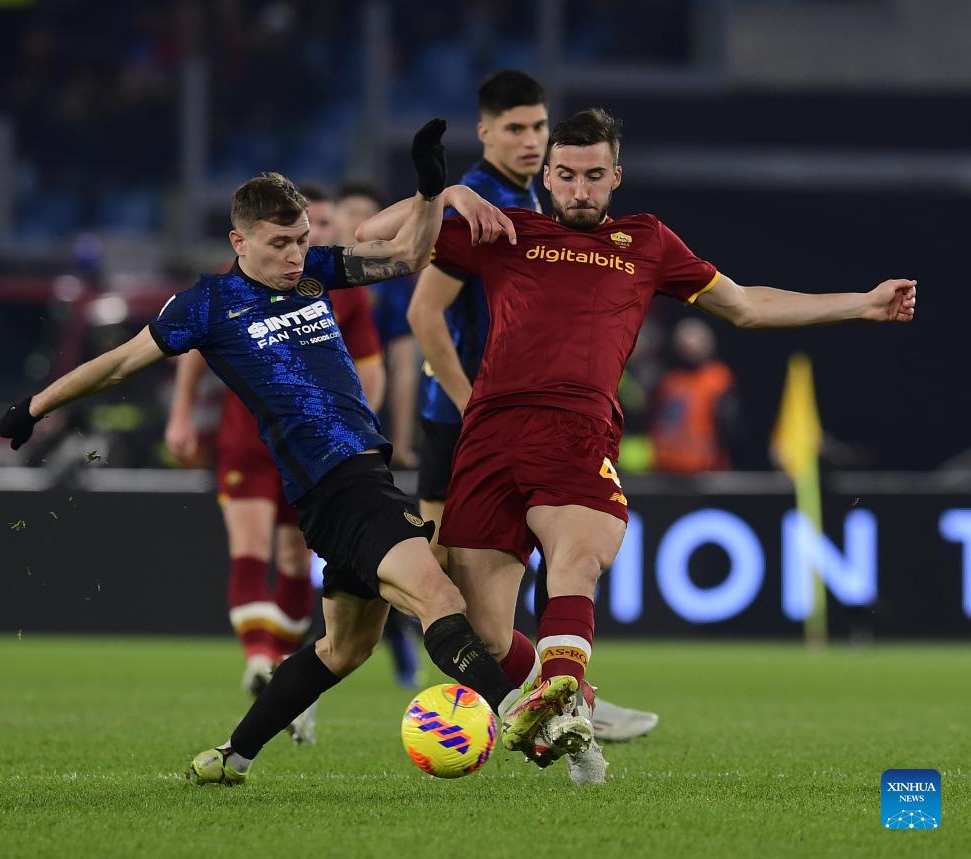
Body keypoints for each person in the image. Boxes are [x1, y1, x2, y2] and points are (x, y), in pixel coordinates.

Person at [0, 120, 575, 786]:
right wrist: (33, 407)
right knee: (440, 595)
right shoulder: (208, 305)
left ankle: (230, 755)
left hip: (357, 478)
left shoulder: (313, 273)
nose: (295, 255)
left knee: (344, 648)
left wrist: (430, 189)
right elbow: (119, 362)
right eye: (279, 243)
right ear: (239, 241)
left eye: (301, 240)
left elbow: (410, 256)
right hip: (337, 486)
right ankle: (521, 714)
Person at [370, 107, 916, 783]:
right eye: (567, 175)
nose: (580, 189)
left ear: (616, 177)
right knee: (482, 633)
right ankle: (576, 711)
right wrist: (448, 192)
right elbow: (376, 239)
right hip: (489, 436)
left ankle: (566, 696)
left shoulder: (647, 241)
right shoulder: (506, 230)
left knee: (576, 560)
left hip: (576, 429)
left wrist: (861, 303)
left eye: (594, 175)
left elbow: (746, 306)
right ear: (548, 177)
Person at [405, 69, 658, 746]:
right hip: (465, 418)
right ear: (486, 133)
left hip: (526, 421)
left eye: (538, 126)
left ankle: (567, 696)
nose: (529, 139)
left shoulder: (535, 207)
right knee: (436, 589)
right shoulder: (486, 202)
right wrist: (468, 402)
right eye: (516, 128)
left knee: (546, 565)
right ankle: (562, 698)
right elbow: (423, 311)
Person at [164, 183, 397, 745]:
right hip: (247, 440)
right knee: (248, 547)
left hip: (313, 450)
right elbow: (188, 349)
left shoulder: (339, 287)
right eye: (294, 233)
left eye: (315, 230)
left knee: (295, 557)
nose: (302, 245)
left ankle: (279, 665)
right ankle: (259, 657)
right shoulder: (234, 283)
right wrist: (181, 415)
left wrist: (350, 435)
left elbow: (371, 370)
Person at [336, 182, 421, 470]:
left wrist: (401, 443)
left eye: (370, 215)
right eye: (352, 212)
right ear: (334, 217)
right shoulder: (303, 273)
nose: (360, 222)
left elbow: (403, 364)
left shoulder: (392, 282)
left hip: (369, 414)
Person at [649, 317, 742, 473]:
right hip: (665, 468)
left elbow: (732, 428)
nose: (689, 346)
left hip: (706, 469)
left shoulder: (718, 379)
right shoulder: (668, 380)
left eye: (695, 341)